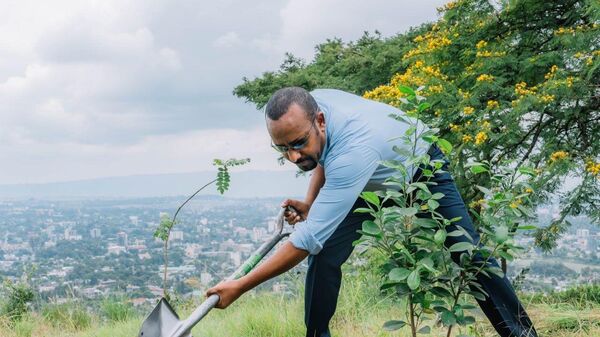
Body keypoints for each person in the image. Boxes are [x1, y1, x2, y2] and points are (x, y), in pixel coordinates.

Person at [206, 87, 538, 337]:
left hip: (421, 168)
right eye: (283, 148)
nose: (293, 156)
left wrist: (241, 286)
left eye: (297, 144)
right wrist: (310, 203)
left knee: (469, 255)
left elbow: (306, 239)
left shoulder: (353, 150)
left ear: (319, 121)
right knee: (325, 255)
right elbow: (325, 158)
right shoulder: (313, 112)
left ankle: (521, 334)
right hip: (371, 183)